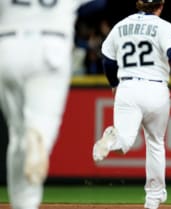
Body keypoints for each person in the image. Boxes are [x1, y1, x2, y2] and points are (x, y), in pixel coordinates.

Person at [91, 0, 171, 209]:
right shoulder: (163, 27)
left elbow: (107, 59)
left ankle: (111, 140)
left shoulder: (121, 26)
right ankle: (153, 199)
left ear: (139, 4)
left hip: (127, 88)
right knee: (155, 143)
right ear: (161, 6)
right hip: (155, 89)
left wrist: (114, 83)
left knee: (124, 142)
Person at [0, 1, 106, 209]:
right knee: (42, 124)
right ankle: (38, 136)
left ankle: (23, 201)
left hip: (7, 46)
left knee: (17, 135)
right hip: (51, 45)